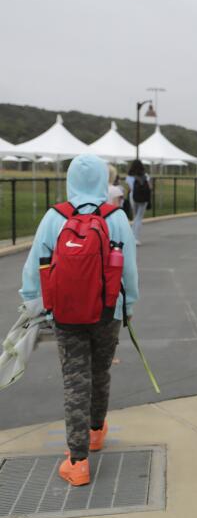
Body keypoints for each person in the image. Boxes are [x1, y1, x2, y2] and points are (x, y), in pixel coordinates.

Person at [19, 154, 139, 486]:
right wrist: (128, 308)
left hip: (65, 312)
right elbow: (128, 269)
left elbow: (34, 265)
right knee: (100, 373)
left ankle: (78, 461)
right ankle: (97, 431)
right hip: (107, 310)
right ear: (103, 180)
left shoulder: (54, 217)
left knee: (75, 380)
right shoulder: (114, 218)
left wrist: (33, 304)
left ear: (70, 179)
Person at [126, 160, 151, 245]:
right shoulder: (146, 176)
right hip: (143, 197)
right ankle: (135, 238)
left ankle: (131, 236)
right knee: (139, 217)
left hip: (133, 196)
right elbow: (149, 187)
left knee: (135, 216)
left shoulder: (129, 177)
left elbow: (130, 187)